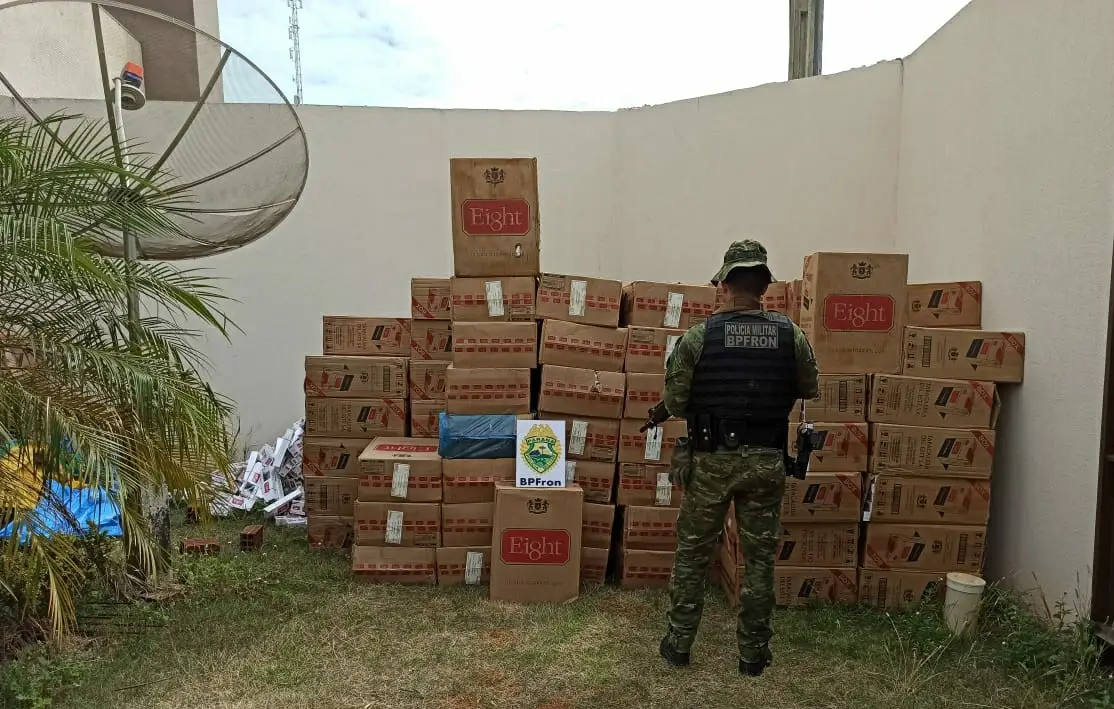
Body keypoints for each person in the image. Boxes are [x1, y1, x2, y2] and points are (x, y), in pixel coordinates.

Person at [657, 239, 819, 677]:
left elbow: (675, 401)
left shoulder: (698, 338)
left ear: (725, 285)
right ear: (764, 287)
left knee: (693, 554)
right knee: (760, 560)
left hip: (712, 461)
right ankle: (753, 655)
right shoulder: (790, 335)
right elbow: (809, 387)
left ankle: (678, 645)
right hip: (766, 461)